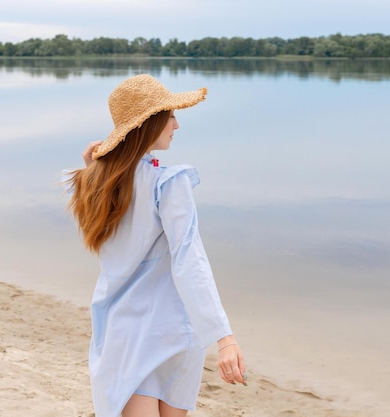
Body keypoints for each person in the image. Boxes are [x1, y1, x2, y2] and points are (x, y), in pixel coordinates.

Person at [64, 74, 245, 417]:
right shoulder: (168, 183)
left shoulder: (97, 185)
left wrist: (93, 168)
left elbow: (120, 242)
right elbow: (190, 260)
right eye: (170, 115)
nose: (176, 124)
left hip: (124, 334)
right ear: (149, 123)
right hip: (171, 333)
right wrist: (224, 338)